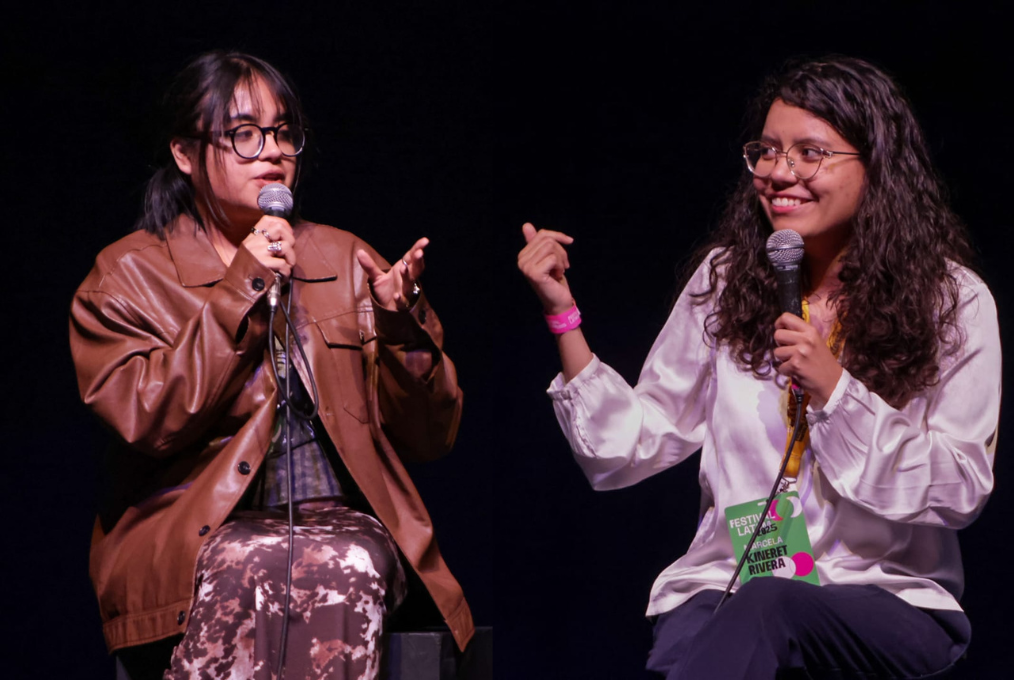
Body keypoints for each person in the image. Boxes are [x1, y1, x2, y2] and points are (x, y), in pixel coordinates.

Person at [518, 55, 1000, 679]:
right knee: (708, 632)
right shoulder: (727, 281)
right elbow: (628, 446)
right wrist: (563, 315)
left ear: (877, 167)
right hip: (733, 580)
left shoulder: (952, 301)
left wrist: (837, 392)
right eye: (767, 152)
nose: (778, 173)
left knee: (768, 607)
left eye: (810, 153)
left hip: (887, 594)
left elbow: (960, 487)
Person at [70, 50, 473, 680]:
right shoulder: (127, 276)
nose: (273, 152)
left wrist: (402, 329)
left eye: (285, 133)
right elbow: (147, 419)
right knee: (252, 563)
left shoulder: (344, 258)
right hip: (192, 527)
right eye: (244, 134)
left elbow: (431, 436)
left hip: (338, 520)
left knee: (341, 563)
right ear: (184, 152)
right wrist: (243, 287)